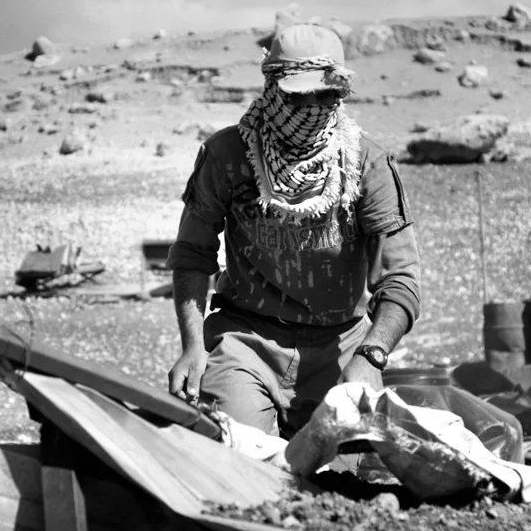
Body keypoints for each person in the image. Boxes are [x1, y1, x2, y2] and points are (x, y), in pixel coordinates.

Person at [166, 23, 422, 438]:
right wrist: (193, 346)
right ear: (271, 89)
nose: (313, 107)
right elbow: (193, 254)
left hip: (342, 346)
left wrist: (371, 357)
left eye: (326, 94)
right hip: (245, 341)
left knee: (341, 482)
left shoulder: (367, 164)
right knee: (236, 456)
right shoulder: (227, 156)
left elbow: (401, 278)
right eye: (298, 96)